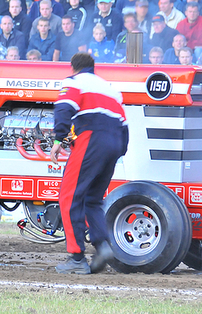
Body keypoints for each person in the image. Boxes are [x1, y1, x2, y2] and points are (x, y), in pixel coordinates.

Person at [51, 52, 128, 275]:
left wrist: (58, 139)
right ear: (93, 68)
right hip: (115, 141)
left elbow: (64, 107)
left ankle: (76, 257)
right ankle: (102, 246)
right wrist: (118, 151)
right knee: (92, 200)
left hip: (91, 138)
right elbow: (124, 124)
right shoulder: (111, 89)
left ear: (73, 68)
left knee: (69, 196)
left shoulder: (73, 82)